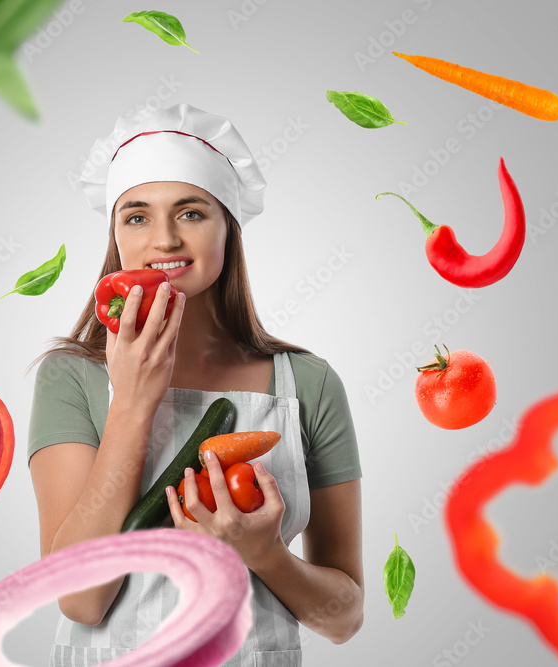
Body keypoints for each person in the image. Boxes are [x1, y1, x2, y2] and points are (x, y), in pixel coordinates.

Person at [27, 103, 363, 666]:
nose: (163, 240)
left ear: (227, 227)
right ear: (115, 237)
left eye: (190, 214)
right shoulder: (72, 376)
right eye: (136, 216)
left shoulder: (308, 383)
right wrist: (133, 401)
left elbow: (346, 618)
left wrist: (266, 555)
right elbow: (81, 599)